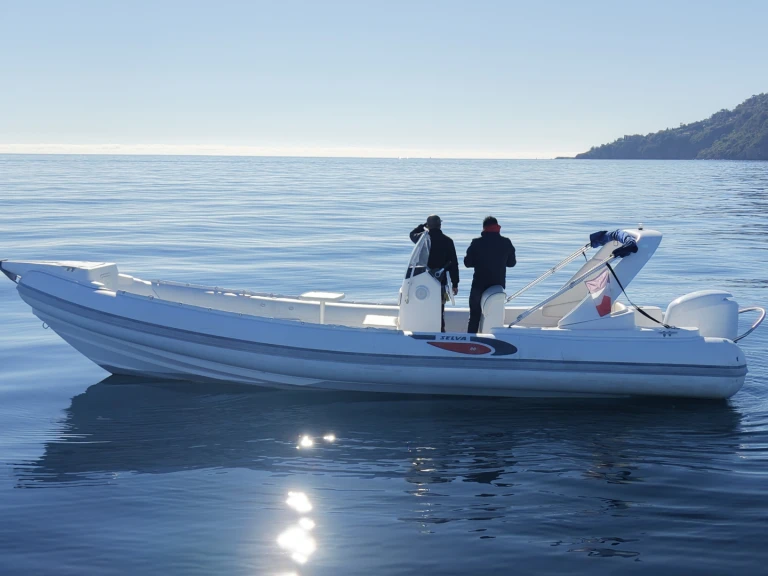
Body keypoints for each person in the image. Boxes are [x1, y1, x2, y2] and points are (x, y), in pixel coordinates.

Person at [464, 216, 516, 333]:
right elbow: (512, 263)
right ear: (497, 227)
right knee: (494, 315)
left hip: (479, 284)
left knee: (474, 315)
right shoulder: (506, 242)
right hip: (497, 286)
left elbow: (467, 263)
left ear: (484, 228)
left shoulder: (476, 243)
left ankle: (471, 340)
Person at [409, 215, 459, 332]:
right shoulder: (448, 241)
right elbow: (454, 265)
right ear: (440, 225)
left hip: (422, 280)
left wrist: (422, 226)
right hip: (440, 281)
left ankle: (422, 330)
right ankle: (440, 331)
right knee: (439, 309)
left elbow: (411, 234)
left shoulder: (421, 239)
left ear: (428, 225)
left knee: (423, 306)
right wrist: (455, 284)